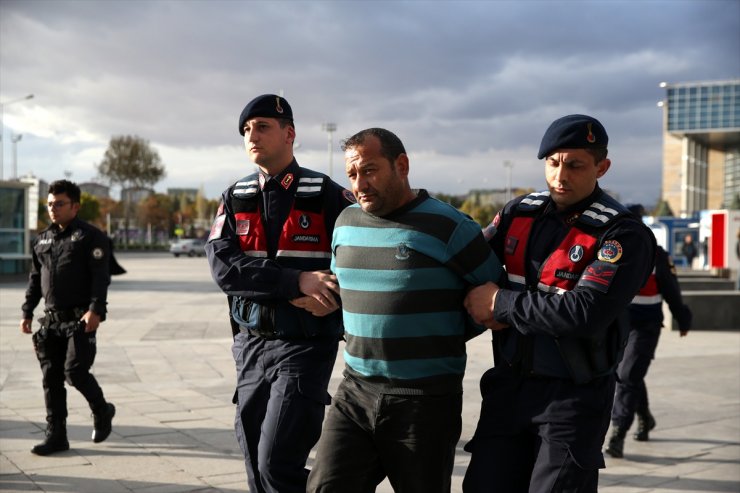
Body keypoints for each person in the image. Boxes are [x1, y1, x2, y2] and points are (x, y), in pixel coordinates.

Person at [462, 114, 656, 491]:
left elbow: (585, 313)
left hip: (572, 399)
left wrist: (501, 304)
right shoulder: (519, 212)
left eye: (575, 165)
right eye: (553, 163)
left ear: (602, 167)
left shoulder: (622, 233)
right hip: (508, 387)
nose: (560, 176)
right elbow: (467, 264)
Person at [306, 128, 504, 492]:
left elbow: (491, 300)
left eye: (369, 170)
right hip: (355, 391)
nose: (360, 183)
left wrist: (433, 334)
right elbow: (350, 287)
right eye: (352, 174)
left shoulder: (450, 226)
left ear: (402, 165)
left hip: (424, 402)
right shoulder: (345, 223)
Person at [205, 94, 355, 493]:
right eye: (246, 130)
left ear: (289, 134)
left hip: (304, 346)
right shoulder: (234, 197)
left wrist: (331, 293)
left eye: (262, 126)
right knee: (254, 460)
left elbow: (356, 263)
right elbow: (223, 267)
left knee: (276, 461)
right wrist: (295, 282)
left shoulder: (328, 195)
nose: (252, 135)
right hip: (250, 346)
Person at [20, 179, 116, 456]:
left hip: (80, 319)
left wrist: (96, 309)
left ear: (75, 206)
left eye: (59, 204)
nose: (53, 209)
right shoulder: (42, 239)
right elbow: (36, 278)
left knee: (74, 372)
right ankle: (57, 435)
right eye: (49, 204)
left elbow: (101, 276)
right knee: (51, 378)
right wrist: (27, 311)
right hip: (50, 321)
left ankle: (102, 409)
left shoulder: (91, 237)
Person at [604, 204, 692, 459]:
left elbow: (671, 290)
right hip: (618, 326)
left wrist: (683, 319)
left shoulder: (657, 256)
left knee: (629, 374)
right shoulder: (612, 252)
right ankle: (645, 416)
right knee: (627, 374)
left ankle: (618, 432)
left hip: (646, 326)